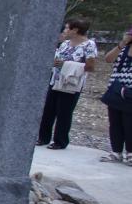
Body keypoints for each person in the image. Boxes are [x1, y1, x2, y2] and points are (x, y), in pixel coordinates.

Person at [37, 18, 98, 150]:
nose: (65, 31)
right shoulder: (65, 43)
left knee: (64, 112)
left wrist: (67, 65)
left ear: (75, 30)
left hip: (71, 83)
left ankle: (60, 140)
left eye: (66, 28)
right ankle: (43, 137)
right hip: (56, 80)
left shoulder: (89, 45)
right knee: (48, 110)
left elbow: (91, 66)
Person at [100, 29, 132, 165]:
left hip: (130, 92)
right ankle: (116, 151)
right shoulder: (123, 49)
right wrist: (122, 44)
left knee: (129, 124)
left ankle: (130, 153)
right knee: (115, 123)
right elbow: (108, 59)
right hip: (116, 90)